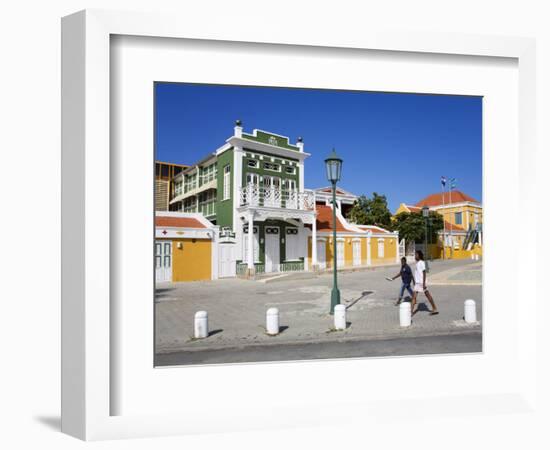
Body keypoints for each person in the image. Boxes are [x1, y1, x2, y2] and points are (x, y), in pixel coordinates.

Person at [411, 250, 438, 315]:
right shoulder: (417, 263)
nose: (415, 256)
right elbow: (417, 274)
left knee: (428, 295)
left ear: (419, 256)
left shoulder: (422, 262)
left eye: (416, 254)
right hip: (418, 283)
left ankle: (434, 308)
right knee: (414, 297)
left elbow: (424, 273)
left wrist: (424, 284)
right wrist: (415, 281)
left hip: (422, 283)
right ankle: (410, 312)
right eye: (415, 254)